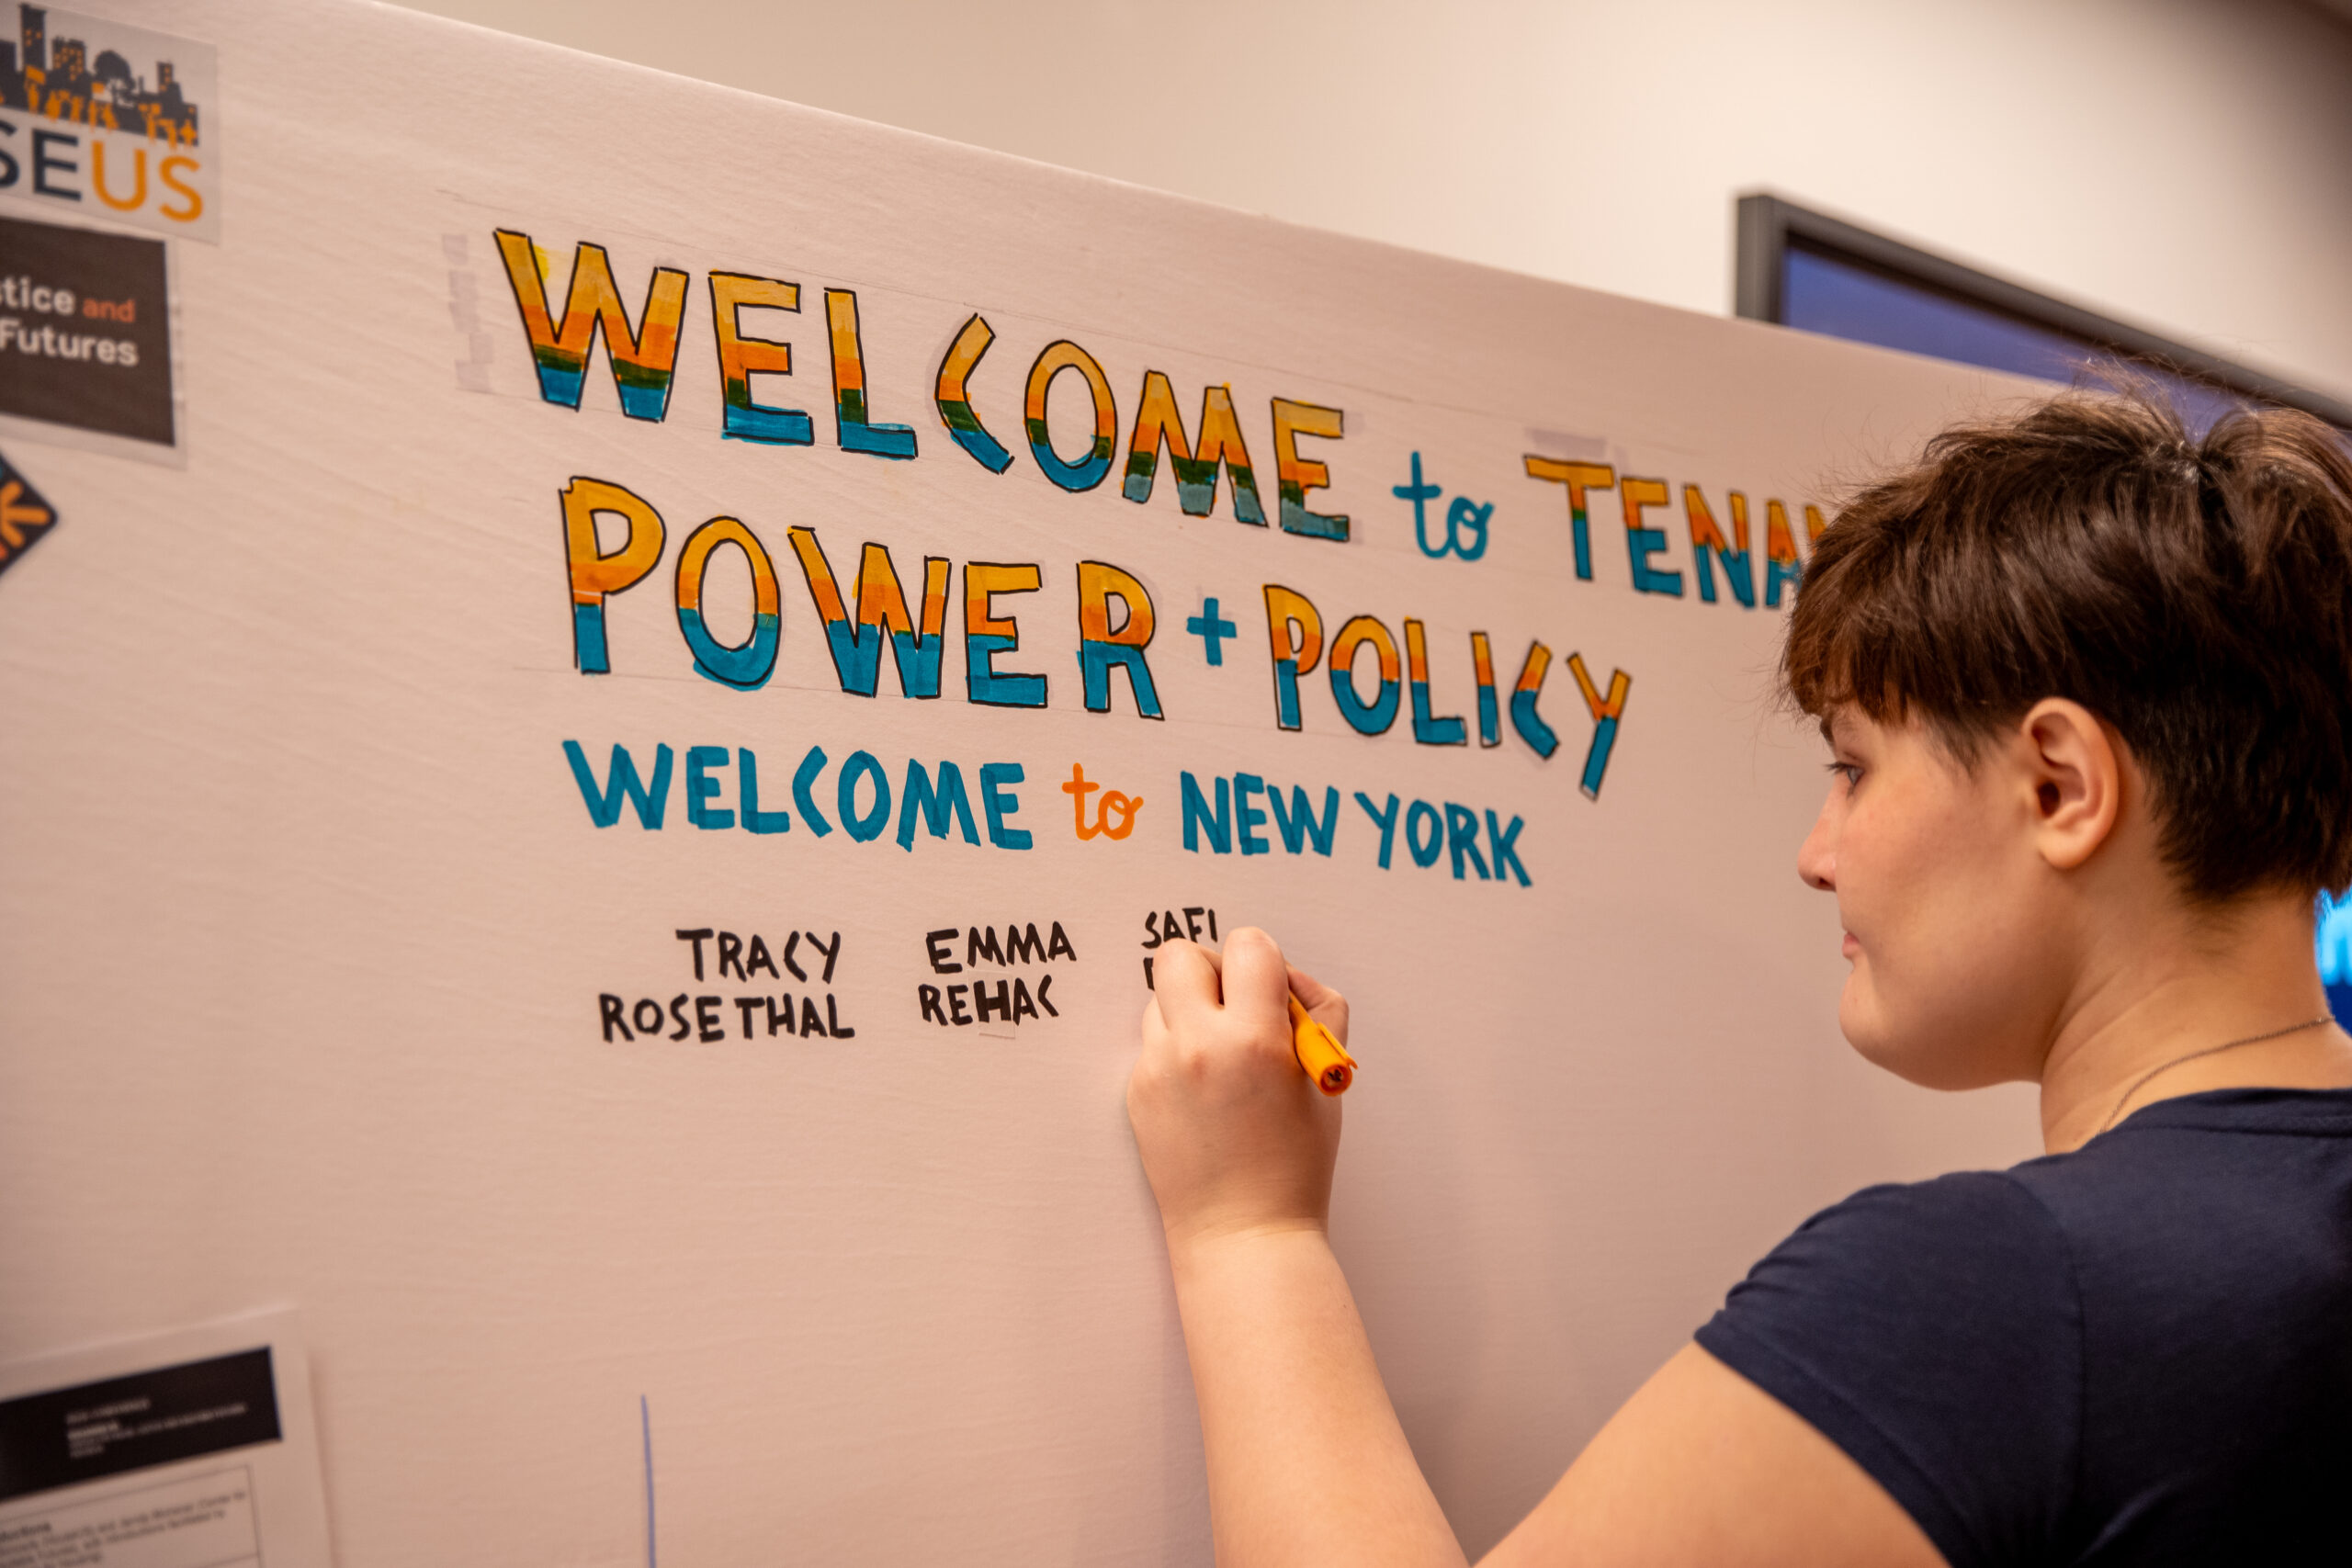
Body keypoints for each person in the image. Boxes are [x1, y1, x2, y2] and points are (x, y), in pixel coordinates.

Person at [1125, 390, 2352, 1567]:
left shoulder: (1991, 1296)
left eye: (1854, 768)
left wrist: (1249, 1236)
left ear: (2060, 787)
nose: (1817, 857)